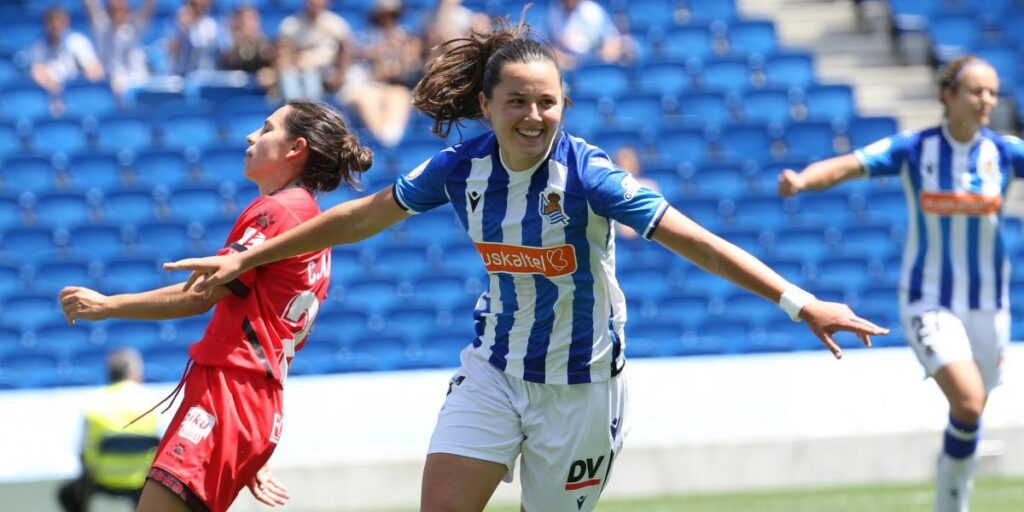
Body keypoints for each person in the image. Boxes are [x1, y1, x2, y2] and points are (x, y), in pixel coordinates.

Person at [165, 17, 887, 512]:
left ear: (563, 104)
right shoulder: (459, 167)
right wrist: (253, 255)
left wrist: (799, 302)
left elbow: (693, 238)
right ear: (487, 105)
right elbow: (364, 215)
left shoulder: (590, 177)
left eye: (548, 102)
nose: (534, 116)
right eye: (517, 102)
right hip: (493, 372)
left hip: (582, 390)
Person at [59, 99, 373, 512]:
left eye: (265, 129)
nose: (251, 137)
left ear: (296, 148)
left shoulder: (275, 212)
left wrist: (108, 304)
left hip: (228, 392)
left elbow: (201, 294)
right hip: (251, 401)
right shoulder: (310, 223)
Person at [777, 55, 1022, 512]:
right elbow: (850, 164)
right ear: (948, 95)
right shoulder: (915, 149)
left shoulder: (1004, 153)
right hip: (928, 300)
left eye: (992, 91)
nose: (987, 100)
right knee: (968, 404)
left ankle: (949, 500)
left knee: (970, 414)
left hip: (990, 305)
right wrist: (802, 181)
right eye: (976, 91)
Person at [58, 347, 159, 512]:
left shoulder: (94, 402)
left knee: (66, 494)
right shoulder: (152, 402)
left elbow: (83, 450)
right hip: (141, 482)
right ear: (133, 372)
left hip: (102, 479)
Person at [29, 6, 105, 116]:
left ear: (66, 22)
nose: (55, 25)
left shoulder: (78, 42)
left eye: (59, 21)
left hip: (78, 93)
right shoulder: (38, 46)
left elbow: (96, 71)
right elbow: (37, 72)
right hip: (52, 94)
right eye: (51, 22)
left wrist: (77, 85)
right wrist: (53, 86)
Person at [276, 0, 353, 101]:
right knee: (288, 75)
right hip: (298, 68)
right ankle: (292, 109)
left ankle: (312, 111)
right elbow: (283, 52)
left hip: (326, 69)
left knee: (310, 77)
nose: (314, 8)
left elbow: (345, 49)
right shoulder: (291, 24)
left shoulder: (335, 23)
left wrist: (341, 74)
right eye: (312, 4)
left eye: (318, 5)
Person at [82, 0, 154, 98]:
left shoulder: (136, 27)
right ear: (108, 12)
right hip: (109, 83)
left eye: (122, 11)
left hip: (136, 81)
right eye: (114, 11)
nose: (118, 15)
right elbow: (91, 5)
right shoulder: (102, 29)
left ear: (128, 12)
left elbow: (148, 7)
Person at [547, 0, 633, 70]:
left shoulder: (591, 10)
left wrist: (599, 58)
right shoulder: (554, 12)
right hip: (568, 62)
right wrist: (564, 60)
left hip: (595, 60)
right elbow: (549, 45)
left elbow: (612, 41)